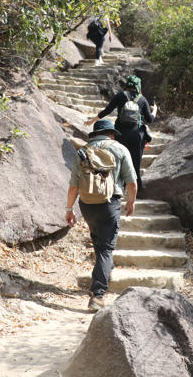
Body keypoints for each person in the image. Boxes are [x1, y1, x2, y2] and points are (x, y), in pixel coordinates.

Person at [66, 119, 137, 311]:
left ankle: (105, 270)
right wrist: (131, 201)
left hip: (87, 204)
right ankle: (97, 295)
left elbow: (73, 184)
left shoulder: (83, 151)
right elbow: (131, 181)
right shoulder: (120, 149)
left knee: (98, 241)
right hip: (109, 203)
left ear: (95, 135)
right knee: (106, 248)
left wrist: (69, 209)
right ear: (111, 134)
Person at [84, 75, 157, 191]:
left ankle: (116, 187)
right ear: (138, 86)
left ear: (127, 85)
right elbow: (150, 119)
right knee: (135, 163)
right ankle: (137, 190)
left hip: (119, 133)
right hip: (136, 135)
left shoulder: (120, 95)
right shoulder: (142, 99)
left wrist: (92, 120)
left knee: (118, 160)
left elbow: (107, 110)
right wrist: (155, 110)